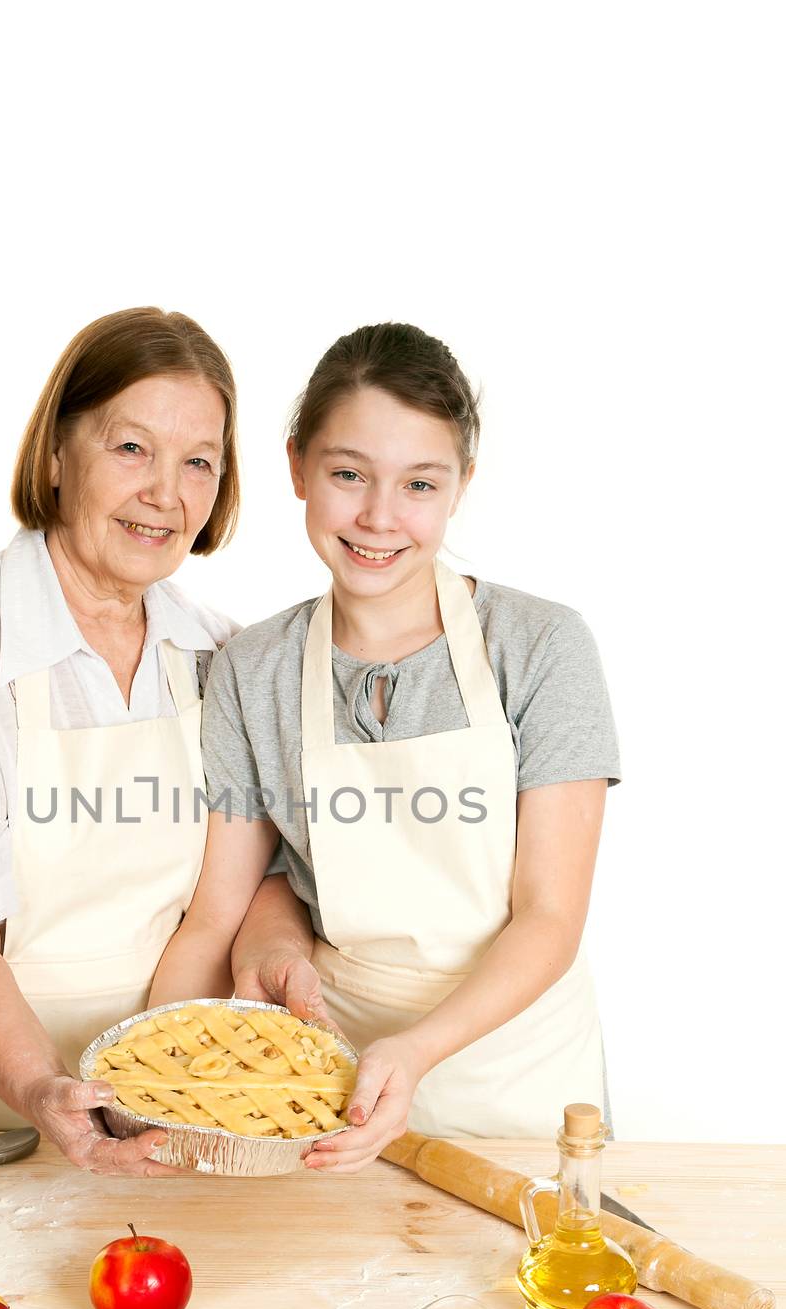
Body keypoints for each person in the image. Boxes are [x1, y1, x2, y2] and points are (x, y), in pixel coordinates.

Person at [149, 321, 621, 1171]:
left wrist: (415, 1052)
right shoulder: (253, 670)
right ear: (295, 467)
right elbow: (227, 903)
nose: (377, 516)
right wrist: (154, 1090)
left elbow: (550, 917)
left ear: (460, 486)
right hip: (332, 1089)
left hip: (515, 1077)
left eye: (418, 484)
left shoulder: (540, 646)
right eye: (346, 474)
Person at [0, 306, 241, 1174]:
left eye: (198, 462)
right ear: (57, 453)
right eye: (131, 448)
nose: (165, 494)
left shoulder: (219, 654)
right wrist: (40, 1089)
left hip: (160, 1107)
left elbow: (236, 893)